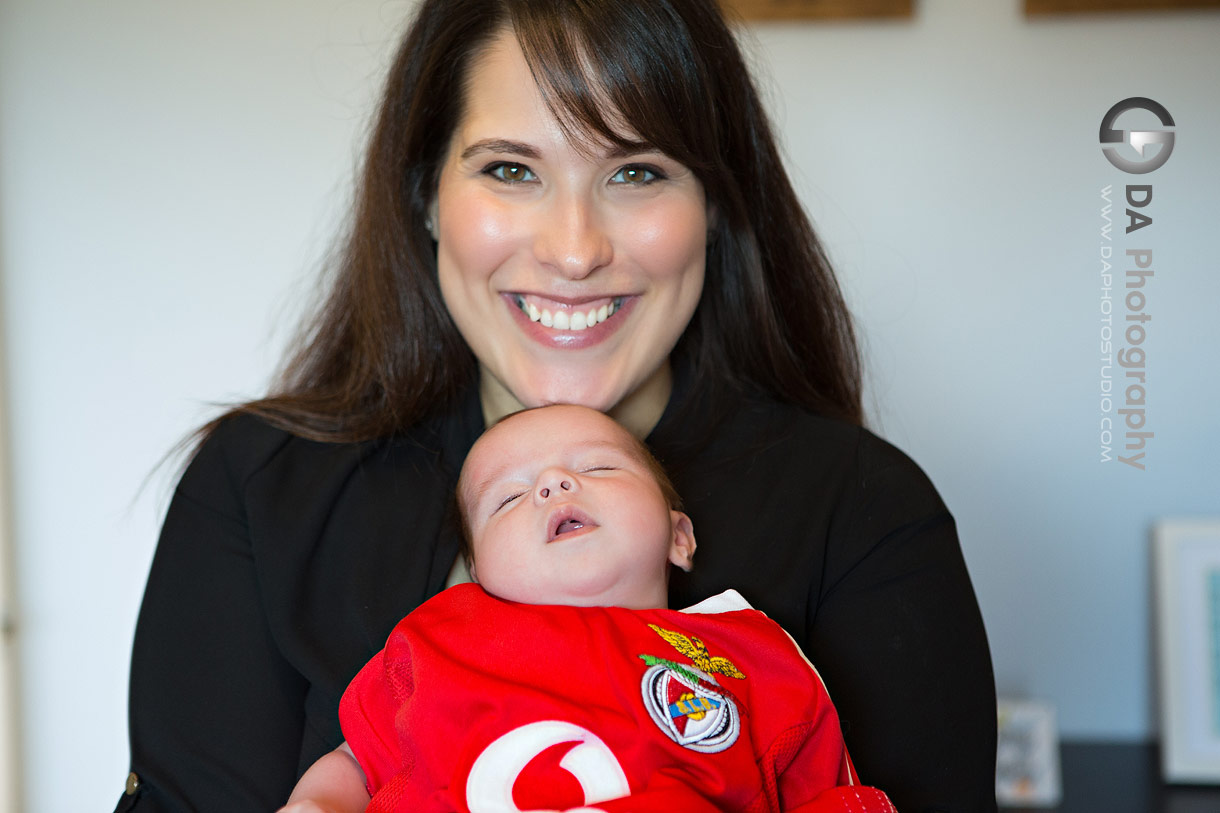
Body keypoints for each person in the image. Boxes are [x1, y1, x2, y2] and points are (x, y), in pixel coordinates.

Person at [117, 1, 998, 811]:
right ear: (426, 193)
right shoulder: (258, 487)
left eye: (637, 172)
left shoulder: (864, 510)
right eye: (510, 169)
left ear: (717, 204)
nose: (574, 252)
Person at [279, 404, 897, 813]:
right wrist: (315, 806)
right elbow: (359, 757)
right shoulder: (438, 637)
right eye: (510, 498)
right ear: (480, 574)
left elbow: (830, 793)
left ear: (678, 537)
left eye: (598, 466)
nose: (552, 484)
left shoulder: (750, 654)